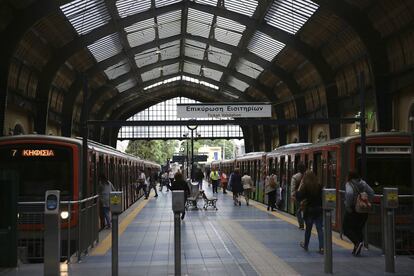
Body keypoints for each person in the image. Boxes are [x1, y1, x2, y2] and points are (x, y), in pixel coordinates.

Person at [343, 170, 374, 256]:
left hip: (353, 210)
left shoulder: (349, 184)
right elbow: (371, 192)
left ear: (350, 177)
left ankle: (357, 243)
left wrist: (348, 206)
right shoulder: (363, 183)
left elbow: (349, 193)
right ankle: (357, 249)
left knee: (346, 229)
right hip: (363, 210)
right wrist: (366, 203)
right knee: (358, 229)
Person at [296, 171, 324, 254]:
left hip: (309, 210)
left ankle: (306, 245)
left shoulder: (305, 186)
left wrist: (300, 186)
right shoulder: (319, 185)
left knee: (308, 229)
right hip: (319, 209)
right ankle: (322, 247)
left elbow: (299, 197)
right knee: (319, 229)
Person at [291, 162, 306, 229]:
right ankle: (307, 223)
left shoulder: (295, 177)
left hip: (298, 196)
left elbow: (293, 187)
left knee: (298, 210)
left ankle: (301, 224)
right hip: (306, 196)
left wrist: (293, 195)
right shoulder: (308, 176)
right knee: (305, 209)